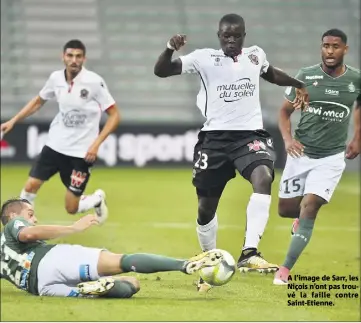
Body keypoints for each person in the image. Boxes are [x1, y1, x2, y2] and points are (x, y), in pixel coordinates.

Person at [153, 13, 309, 292]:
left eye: (237, 36)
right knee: (205, 209)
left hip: (249, 135)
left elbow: (270, 73)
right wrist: (169, 47)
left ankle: (249, 253)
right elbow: (161, 71)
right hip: (214, 140)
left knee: (263, 176)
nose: (232, 41)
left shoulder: (255, 55)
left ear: (244, 36)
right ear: (219, 36)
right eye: (227, 36)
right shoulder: (203, 59)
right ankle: (209, 263)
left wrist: (296, 84)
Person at [0, 198, 223, 298]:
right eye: (30, 214)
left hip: (42, 289)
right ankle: (184, 265)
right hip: (49, 261)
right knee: (120, 261)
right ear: (12, 215)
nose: (34, 219)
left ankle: (95, 287)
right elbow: (27, 233)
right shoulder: (13, 224)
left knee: (131, 285)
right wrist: (73, 228)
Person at [274, 29, 360, 285]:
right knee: (286, 210)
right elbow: (284, 113)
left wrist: (357, 138)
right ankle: (297, 219)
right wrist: (289, 140)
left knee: (311, 205)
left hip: (331, 158)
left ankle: (284, 271)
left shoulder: (356, 79)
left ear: (345, 49)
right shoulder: (305, 76)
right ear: (320, 48)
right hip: (301, 154)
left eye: (335, 46)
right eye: (325, 46)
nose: (330, 51)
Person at [0, 39, 121, 222]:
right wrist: (13, 120)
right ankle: (21, 226)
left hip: (81, 153)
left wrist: (95, 144)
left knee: (71, 208)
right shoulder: (55, 79)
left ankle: (96, 199)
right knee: (31, 185)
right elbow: (38, 102)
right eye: (70, 55)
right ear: (63, 57)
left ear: (84, 59)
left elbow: (114, 115)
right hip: (55, 145)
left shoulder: (94, 82)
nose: (74, 60)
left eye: (78, 56)